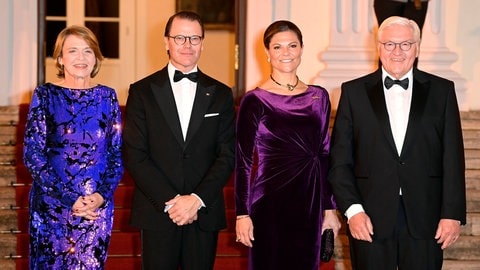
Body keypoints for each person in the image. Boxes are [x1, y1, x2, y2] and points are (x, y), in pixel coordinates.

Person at [328, 16, 466, 270]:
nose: (397, 51)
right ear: (378, 47)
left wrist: (452, 213)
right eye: (390, 44)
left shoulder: (442, 91)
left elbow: (453, 158)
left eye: (405, 44)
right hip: (368, 217)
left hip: (427, 218)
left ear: (417, 47)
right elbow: (339, 162)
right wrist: (353, 210)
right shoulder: (353, 92)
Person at [122, 11, 235, 270]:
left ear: (203, 43)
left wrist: (196, 198)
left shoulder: (221, 93)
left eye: (194, 38)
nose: (187, 45)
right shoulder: (141, 91)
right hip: (158, 210)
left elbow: (227, 154)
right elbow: (135, 154)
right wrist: (173, 201)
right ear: (166, 42)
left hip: (203, 209)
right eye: (180, 37)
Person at [235, 20, 342, 270]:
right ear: (267, 53)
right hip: (270, 203)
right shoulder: (254, 100)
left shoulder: (319, 96)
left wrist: (330, 208)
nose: (286, 53)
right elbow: (243, 160)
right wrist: (242, 214)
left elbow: (325, 154)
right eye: (278, 47)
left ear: (302, 49)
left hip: (310, 202)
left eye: (292, 45)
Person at [23, 25, 123, 269]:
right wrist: (69, 198)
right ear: (60, 58)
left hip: (95, 209)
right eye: (73, 51)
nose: (81, 58)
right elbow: (33, 154)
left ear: (97, 58)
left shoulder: (107, 97)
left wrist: (101, 196)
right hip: (52, 207)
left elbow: (116, 155)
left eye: (88, 51)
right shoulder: (45, 95)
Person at [374, 0, 429, 67]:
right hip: (387, 2)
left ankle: (412, 76)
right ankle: (384, 77)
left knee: (412, 44)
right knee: (387, 42)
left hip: (417, 2)